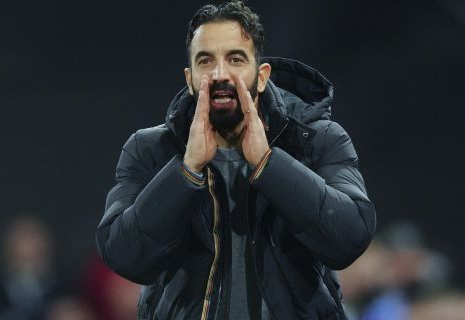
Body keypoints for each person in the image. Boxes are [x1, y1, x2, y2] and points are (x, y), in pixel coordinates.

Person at [96, 1, 376, 319]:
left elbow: (349, 240)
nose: (219, 74)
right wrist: (186, 170)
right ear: (189, 78)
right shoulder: (150, 149)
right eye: (206, 61)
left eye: (235, 59)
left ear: (261, 74)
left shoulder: (315, 139)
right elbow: (124, 256)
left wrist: (270, 164)